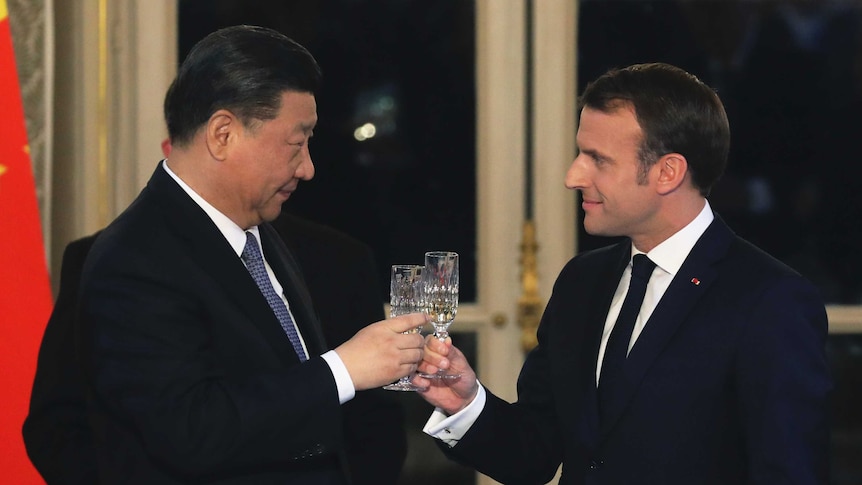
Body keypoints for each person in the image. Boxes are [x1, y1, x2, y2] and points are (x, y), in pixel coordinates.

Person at [415, 62, 831, 484]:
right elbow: (535, 454)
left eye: (598, 159)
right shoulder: (582, 280)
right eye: (580, 153)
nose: (573, 176)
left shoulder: (770, 301)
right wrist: (465, 404)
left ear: (667, 172)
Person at [72, 25, 425, 484]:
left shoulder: (258, 232)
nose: (308, 168)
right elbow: (190, 431)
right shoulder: (135, 258)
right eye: (296, 144)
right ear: (222, 134)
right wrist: (342, 369)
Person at [23, 213, 408, 485]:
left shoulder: (336, 256)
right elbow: (57, 424)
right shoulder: (116, 256)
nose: (305, 166)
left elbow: (376, 426)